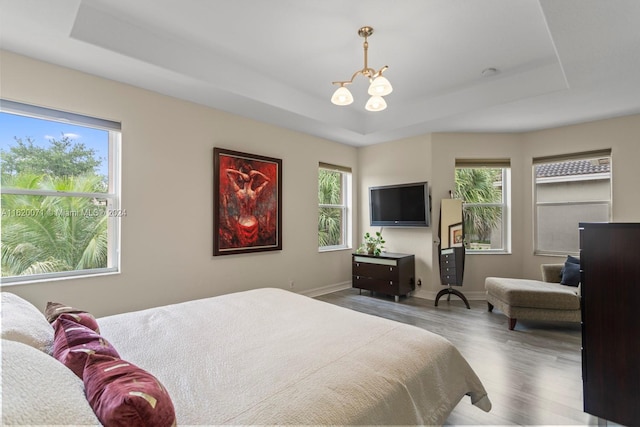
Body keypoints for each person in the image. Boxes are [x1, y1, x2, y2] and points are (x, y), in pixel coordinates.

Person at [225, 166, 270, 246]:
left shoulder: (239, 192)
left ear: (241, 179)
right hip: (253, 223)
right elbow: (267, 180)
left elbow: (227, 171)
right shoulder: (256, 192)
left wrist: (240, 173)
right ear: (252, 179)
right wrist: (257, 172)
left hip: (242, 223)